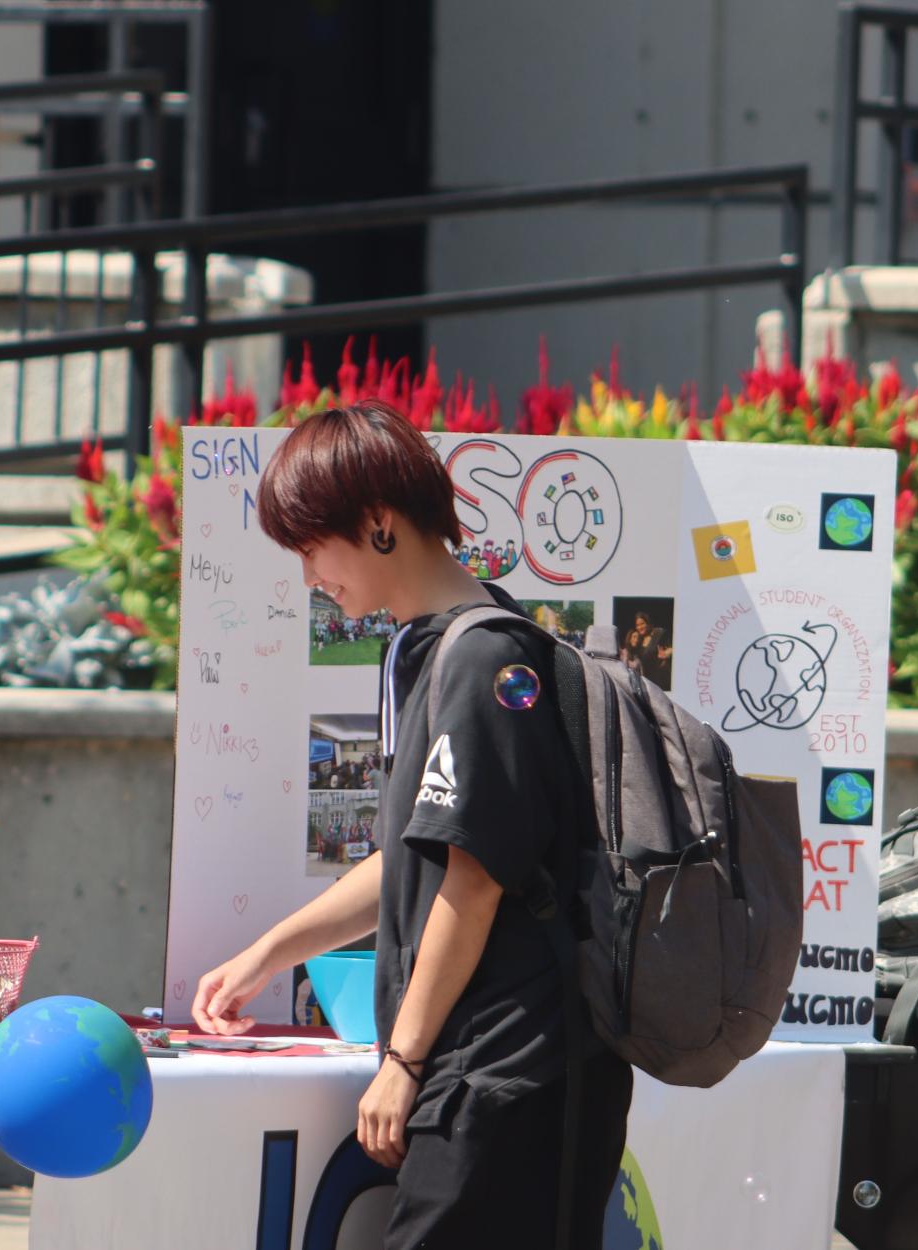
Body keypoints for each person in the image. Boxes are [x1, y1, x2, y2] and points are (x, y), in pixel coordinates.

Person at [192, 400, 630, 1248]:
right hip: (486, 1071)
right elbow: (411, 860)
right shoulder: (445, 649)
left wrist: (402, 1062)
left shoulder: (482, 660)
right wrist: (267, 953)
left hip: (507, 1072)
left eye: (313, 546)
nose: (311, 574)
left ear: (378, 525)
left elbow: (474, 881)